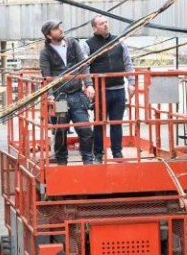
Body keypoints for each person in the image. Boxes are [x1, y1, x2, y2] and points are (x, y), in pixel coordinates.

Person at [38, 19, 96, 164]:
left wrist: (89, 84)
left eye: (60, 27)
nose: (61, 29)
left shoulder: (72, 44)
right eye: (56, 28)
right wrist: (50, 94)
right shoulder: (45, 53)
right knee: (61, 130)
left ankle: (88, 160)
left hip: (77, 94)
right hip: (60, 97)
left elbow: (83, 64)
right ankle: (62, 160)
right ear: (49, 35)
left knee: (85, 129)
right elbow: (47, 75)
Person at [85, 15, 130, 159]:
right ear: (94, 28)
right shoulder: (88, 44)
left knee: (117, 122)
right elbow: (84, 67)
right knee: (99, 122)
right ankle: (98, 152)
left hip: (118, 88)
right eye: (101, 23)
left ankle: (117, 151)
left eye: (106, 22)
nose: (105, 25)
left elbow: (128, 62)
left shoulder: (118, 41)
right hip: (100, 90)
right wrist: (88, 85)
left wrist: (132, 83)